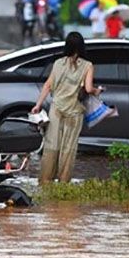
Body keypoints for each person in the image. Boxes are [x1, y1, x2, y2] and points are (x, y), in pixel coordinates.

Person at [31, 32, 102, 183]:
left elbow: (48, 85)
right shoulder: (87, 65)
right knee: (68, 149)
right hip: (74, 112)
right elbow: (89, 89)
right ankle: (63, 183)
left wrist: (38, 105)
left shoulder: (58, 63)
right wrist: (98, 91)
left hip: (56, 109)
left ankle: (45, 181)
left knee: (51, 146)